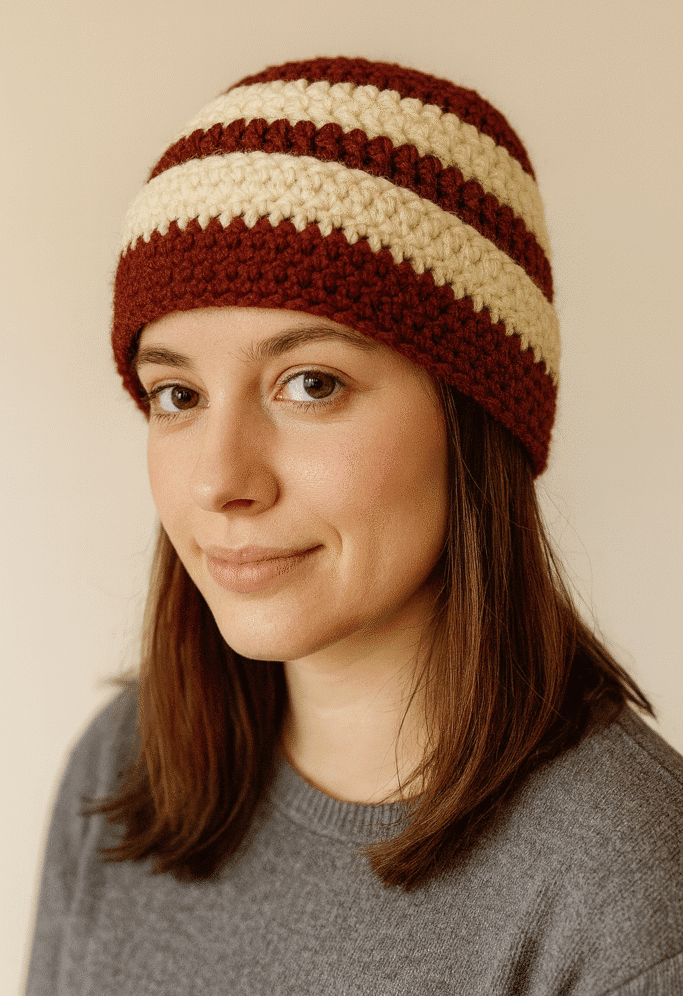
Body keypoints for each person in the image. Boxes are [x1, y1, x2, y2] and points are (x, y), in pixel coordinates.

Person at [25, 57, 683, 995]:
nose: (221, 481)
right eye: (177, 394)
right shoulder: (129, 766)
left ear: (474, 419)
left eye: (312, 384)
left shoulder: (627, 887)